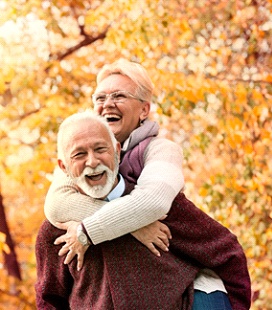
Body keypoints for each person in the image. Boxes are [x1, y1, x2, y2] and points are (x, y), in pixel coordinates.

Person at [43, 60, 250, 309]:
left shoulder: (160, 150)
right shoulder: (79, 160)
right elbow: (57, 204)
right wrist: (134, 228)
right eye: (100, 97)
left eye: (119, 96)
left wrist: (88, 230)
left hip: (193, 288)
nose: (107, 104)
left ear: (144, 110)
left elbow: (152, 202)